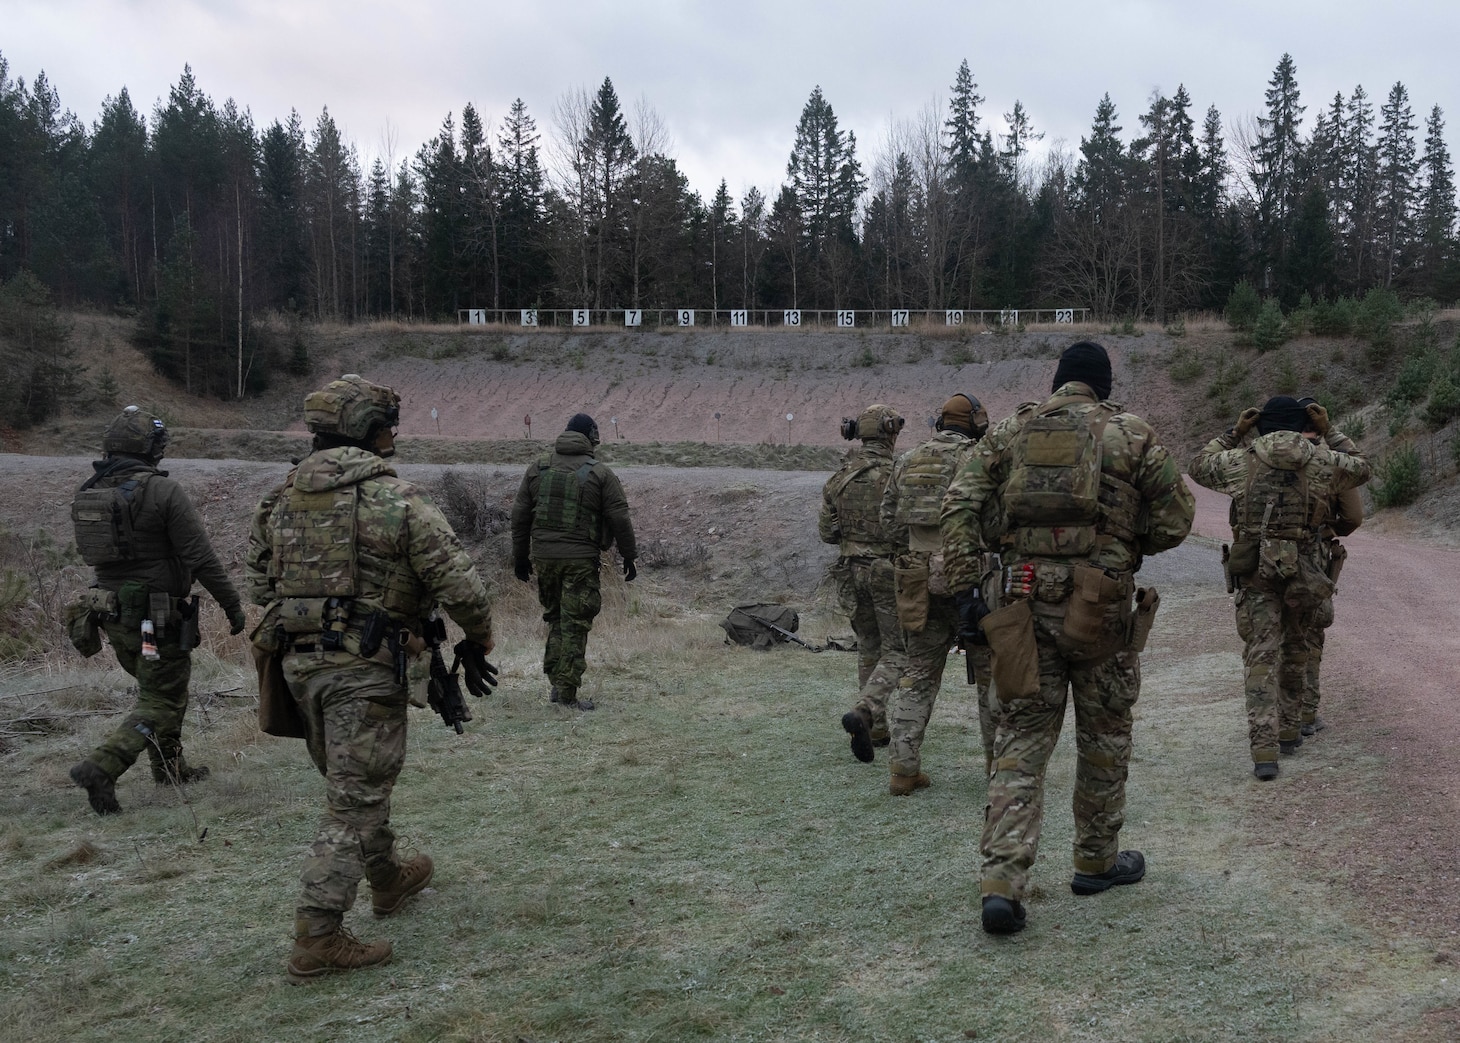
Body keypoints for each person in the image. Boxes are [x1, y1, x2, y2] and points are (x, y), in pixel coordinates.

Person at [246, 374, 496, 981]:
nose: (394, 434)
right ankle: (318, 935)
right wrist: (478, 636)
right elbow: (460, 585)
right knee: (353, 799)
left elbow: (259, 585)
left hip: (297, 666)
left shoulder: (279, 500)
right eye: (388, 423)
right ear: (366, 430)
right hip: (364, 668)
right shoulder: (397, 500)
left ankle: (386, 881)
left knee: (353, 786)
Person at [941, 341, 1194, 935]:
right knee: (1104, 735)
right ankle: (1095, 861)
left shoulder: (1008, 432)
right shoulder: (1132, 435)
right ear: (1103, 386)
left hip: (1021, 604)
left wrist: (965, 592)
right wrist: (1124, 546)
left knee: (1021, 741)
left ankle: (1002, 881)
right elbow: (1177, 521)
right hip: (1100, 607)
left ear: (1057, 383)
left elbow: (958, 504)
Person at [67, 406, 247, 815]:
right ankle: (102, 766)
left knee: (165, 691)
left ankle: (170, 768)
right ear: (150, 448)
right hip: (154, 618)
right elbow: (201, 557)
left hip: (112, 615)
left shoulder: (91, 490)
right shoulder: (162, 491)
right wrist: (232, 605)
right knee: (162, 699)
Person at [1189, 396, 1370, 781]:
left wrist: (1233, 433)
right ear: (1304, 423)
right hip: (1306, 567)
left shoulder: (1243, 459)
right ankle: (1290, 731)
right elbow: (1363, 469)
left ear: (1262, 426)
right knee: (1296, 646)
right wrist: (1330, 431)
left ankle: (1264, 751)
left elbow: (1198, 466)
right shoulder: (1322, 459)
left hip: (1256, 568)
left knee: (1260, 656)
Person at [879, 394, 990, 795]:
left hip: (917, 577)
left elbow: (888, 521)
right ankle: (999, 769)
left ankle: (903, 770)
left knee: (919, 672)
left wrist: (915, 552)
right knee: (990, 674)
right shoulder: (976, 458)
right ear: (975, 422)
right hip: (968, 576)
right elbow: (993, 519)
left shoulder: (907, 459)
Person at [510, 413, 637, 711]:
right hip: (579, 560)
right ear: (591, 438)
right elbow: (619, 517)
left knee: (555, 618)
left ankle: (557, 683)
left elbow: (519, 516)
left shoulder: (537, 468)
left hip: (544, 558)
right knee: (575, 623)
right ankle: (566, 694)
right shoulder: (600, 473)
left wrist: (520, 557)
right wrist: (629, 555)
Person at [819, 404, 906, 762]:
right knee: (898, 650)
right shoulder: (897, 475)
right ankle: (868, 710)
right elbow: (907, 528)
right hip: (887, 571)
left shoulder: (840, 477)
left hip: (850, 572)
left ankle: (877, 728)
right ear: (890, 433)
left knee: (868, 644)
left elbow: (827, 533)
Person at [1291, 397, 1364, 736]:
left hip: (1270, 557)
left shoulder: (1266, 457)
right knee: (1312, 634)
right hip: (1316, 557)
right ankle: (1307, 714)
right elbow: (1352, 517)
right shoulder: (1331, 461)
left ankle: (1281, 716)